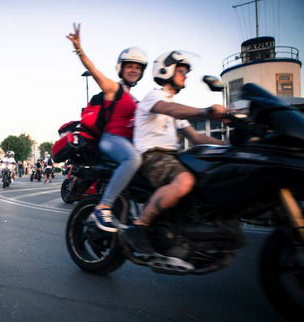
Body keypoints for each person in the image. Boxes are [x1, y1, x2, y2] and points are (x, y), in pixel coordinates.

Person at [126, 50, 227, 254]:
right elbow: (169, 110)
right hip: (153, 155)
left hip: (172, 156)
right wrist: (206, 111)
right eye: (181, 71)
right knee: (185, 181)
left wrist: (230, 147)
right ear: (166, 71)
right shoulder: (155, 95)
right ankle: (139, 225)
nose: (185, 76)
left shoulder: (174, 106)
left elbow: (196, 137)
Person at [67, 23, 147, 232]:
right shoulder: (114, 88)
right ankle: (103, 207)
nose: (133, 70)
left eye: (137, 68)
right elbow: (93, 70)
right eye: (129, 66)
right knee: (133, 159)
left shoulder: (137, 99)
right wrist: (79, 48)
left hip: (128, 143)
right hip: (111, 140)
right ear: (121, 68)